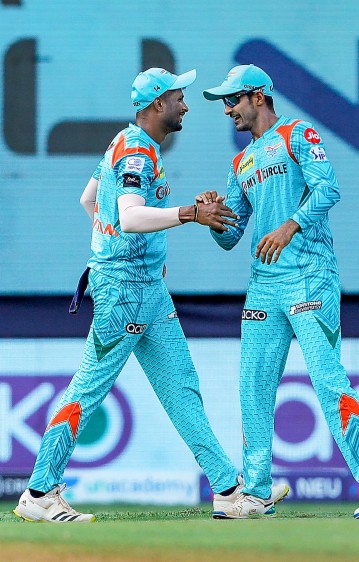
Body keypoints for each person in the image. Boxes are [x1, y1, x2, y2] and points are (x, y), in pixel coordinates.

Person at [13, 68, 287, 523]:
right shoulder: (137, 151)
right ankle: (40, 492)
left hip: (146, 290)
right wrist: (189, 214)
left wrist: (112, 251)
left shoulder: (128, 144)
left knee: (182, 388)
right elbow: (130, 218)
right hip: (124, 291)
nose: (186, 104)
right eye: (180, 96)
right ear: (158, 104)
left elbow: (89, 200)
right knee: (88, 387)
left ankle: (227, 490)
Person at [198, 64, 359, 519]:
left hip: (310, 275)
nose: (227, 110)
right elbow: (230, 237)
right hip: (263, 286)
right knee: (252, 389)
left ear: (258, 96)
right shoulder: (241, 162)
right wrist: (209, 217)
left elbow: (328, 188)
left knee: (327, 379)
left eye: (232, 100)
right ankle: (255, 492)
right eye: (224, 103)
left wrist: (290, 226)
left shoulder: (298, 133)